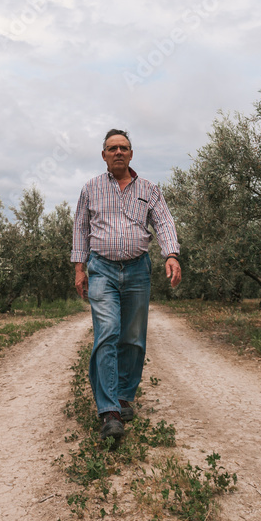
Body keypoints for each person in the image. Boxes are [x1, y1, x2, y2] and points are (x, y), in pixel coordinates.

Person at [71, 128, 182, 442]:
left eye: (124, 147)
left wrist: (171, 254)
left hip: (137, 271)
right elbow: (80, 229)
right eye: (112, 148)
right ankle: (109, 411)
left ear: (131, 154)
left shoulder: (149, 188)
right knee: (108, 332)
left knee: (133, 337)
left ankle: (123, 395)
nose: (118, 152)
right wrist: (80, 269)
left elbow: (163, 222)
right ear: (104, 155)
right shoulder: (90, 188)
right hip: (101, 269)